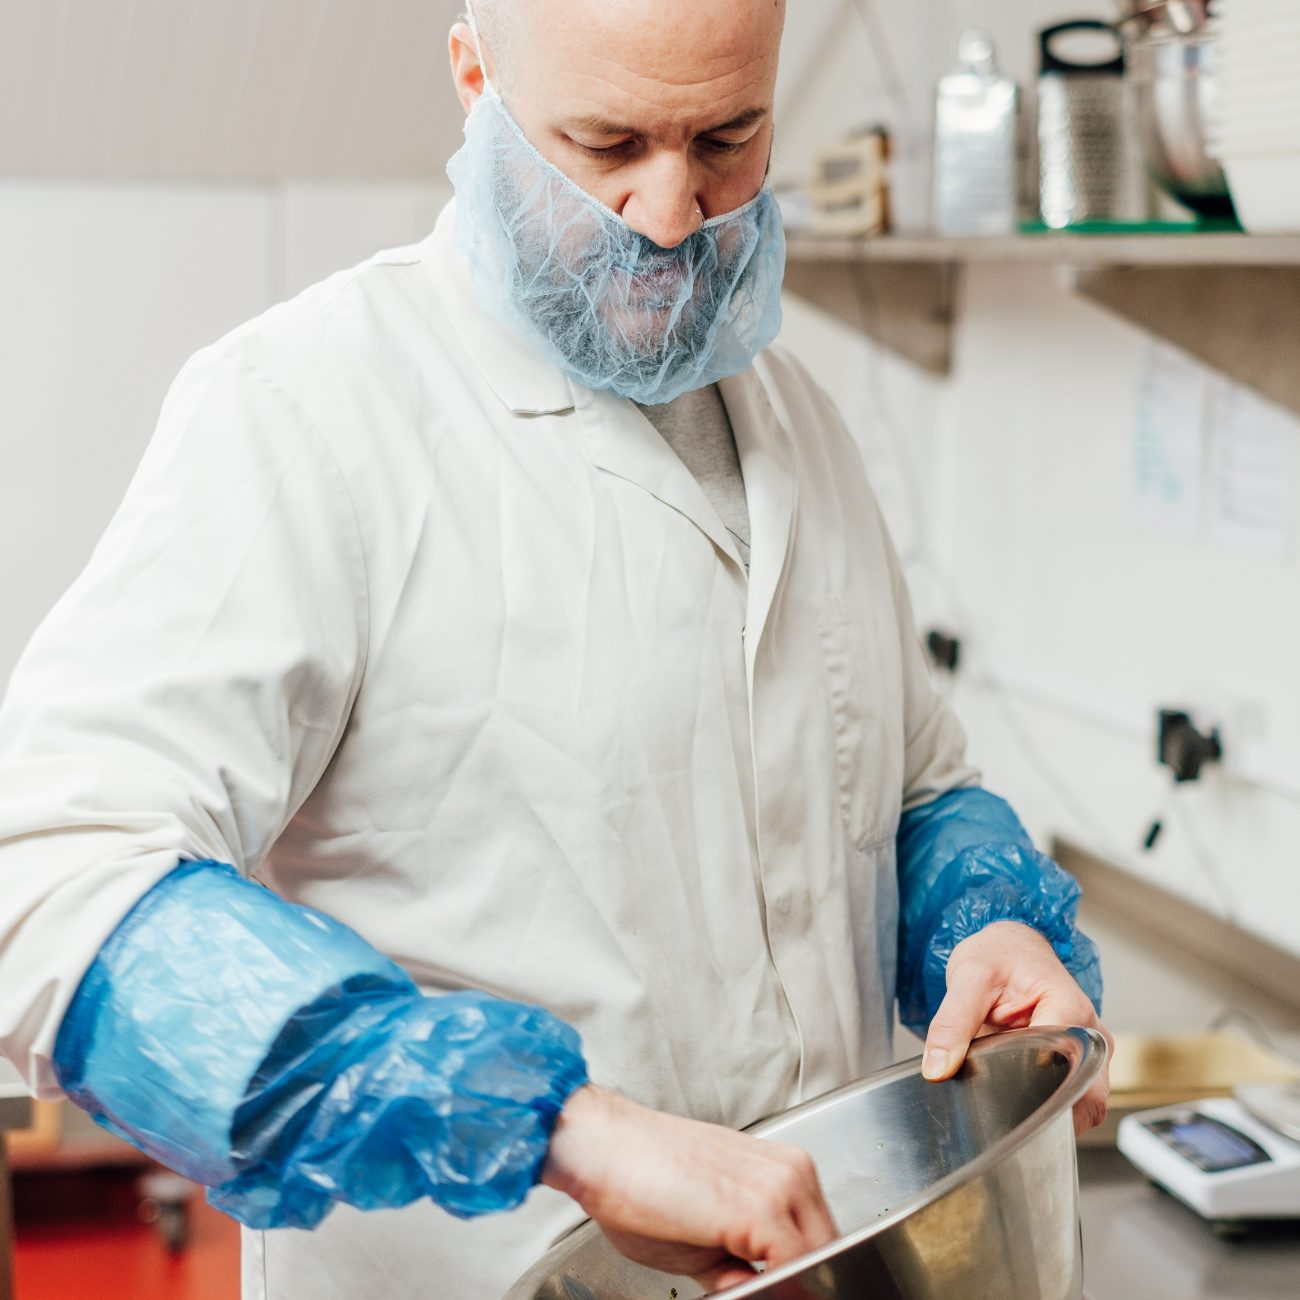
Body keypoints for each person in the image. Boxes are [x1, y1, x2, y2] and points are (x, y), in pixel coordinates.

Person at [0, 2, 1111, 1297]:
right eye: (606, 143)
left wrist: (985, 932)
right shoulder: (306, 412)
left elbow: (912, 786)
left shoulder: (800, 418)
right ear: (475, 81)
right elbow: (52, 889)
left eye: (727, 138)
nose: (669, 211)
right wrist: (563, 1131)